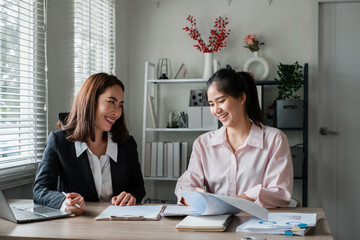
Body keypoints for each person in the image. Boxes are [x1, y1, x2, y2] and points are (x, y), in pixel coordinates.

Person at [175, 69, 293, 208]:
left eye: (221, 101)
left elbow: (279, 193)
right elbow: (184, 187)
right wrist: (195, 196)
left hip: (258, 224)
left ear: (242, 98)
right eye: (212, 104)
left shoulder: (275, 139)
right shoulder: (203, 143)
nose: (216, 110)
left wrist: (223, 202)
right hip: (215, 225)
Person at [33, 73, 146, 215]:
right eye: (111, 102)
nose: (117, 112)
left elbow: (138, 187)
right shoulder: (59, 142)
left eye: (120, 105)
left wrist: (131, 197)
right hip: (77, 226)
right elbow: (40, 190)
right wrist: (64, 202)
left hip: (118, 225)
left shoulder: (127, 144)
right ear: (90, 101)